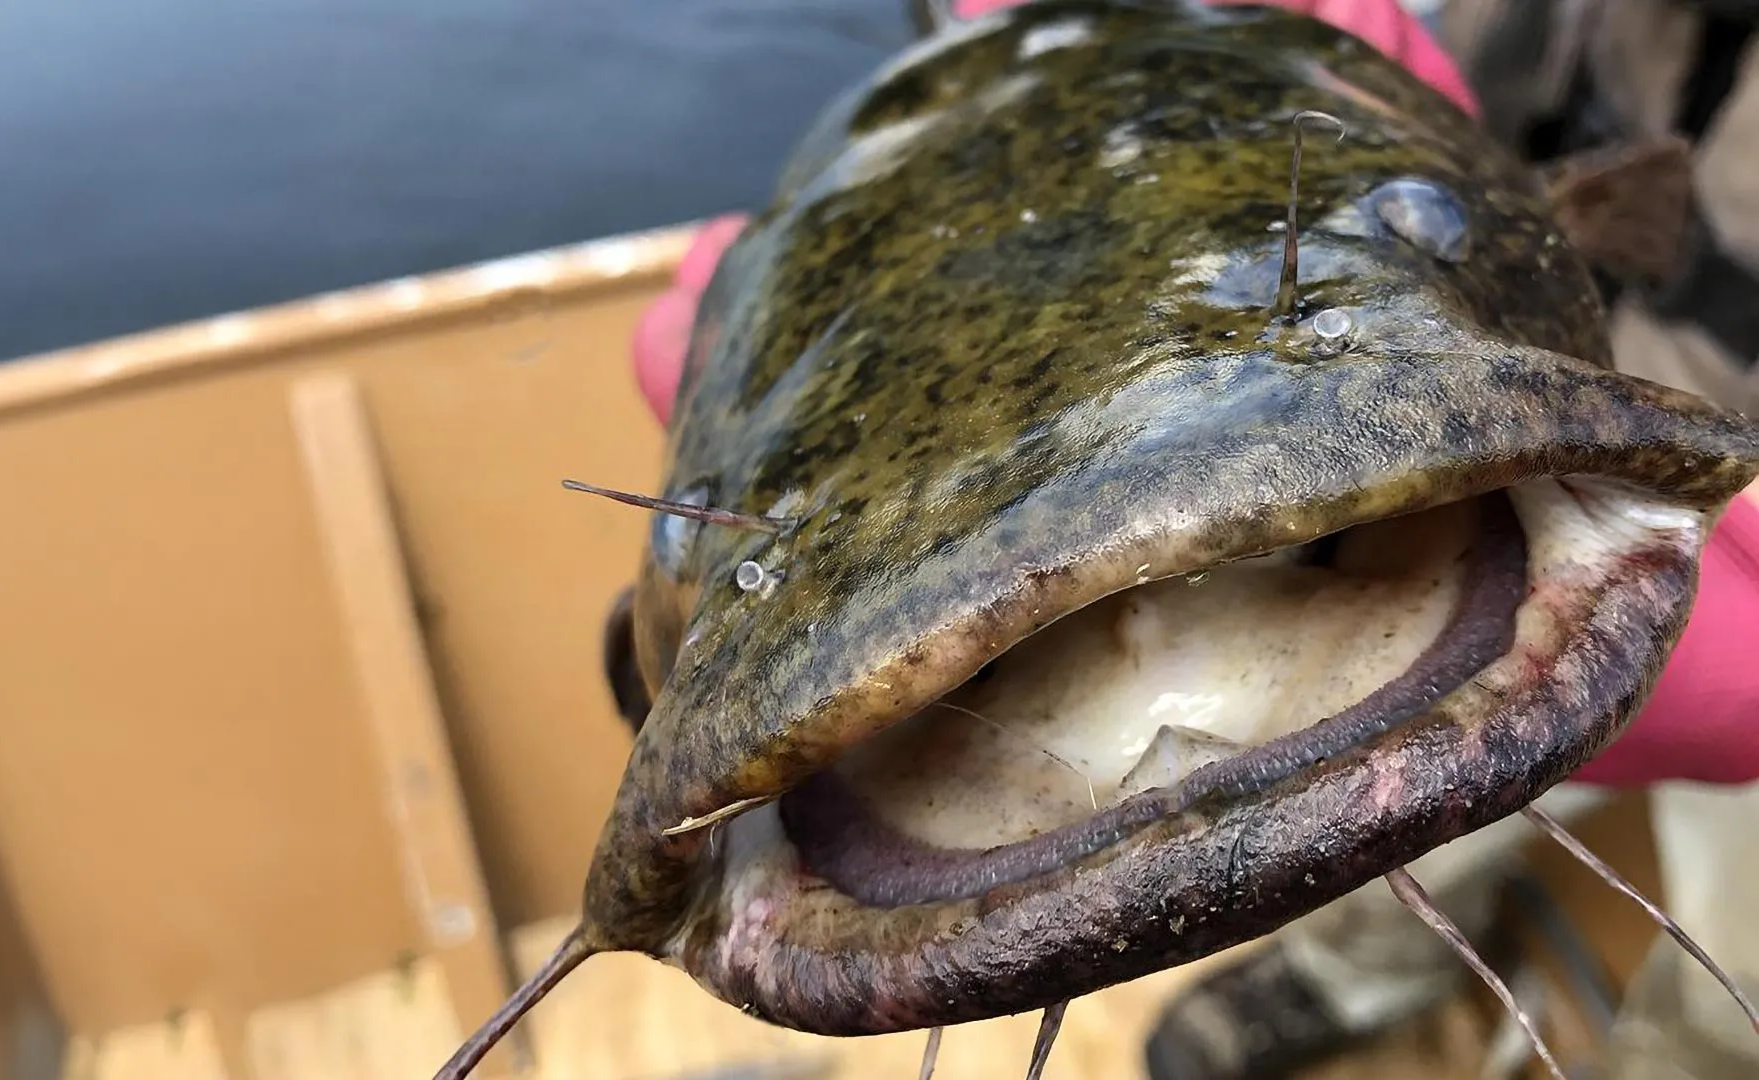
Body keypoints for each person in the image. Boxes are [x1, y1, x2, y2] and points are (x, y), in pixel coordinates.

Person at [628, 1, 1759, 1075]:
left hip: (1605, 436)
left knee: (1736, 958)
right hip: (1496, 434)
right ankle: (1355, 970)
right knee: (1382, 802)